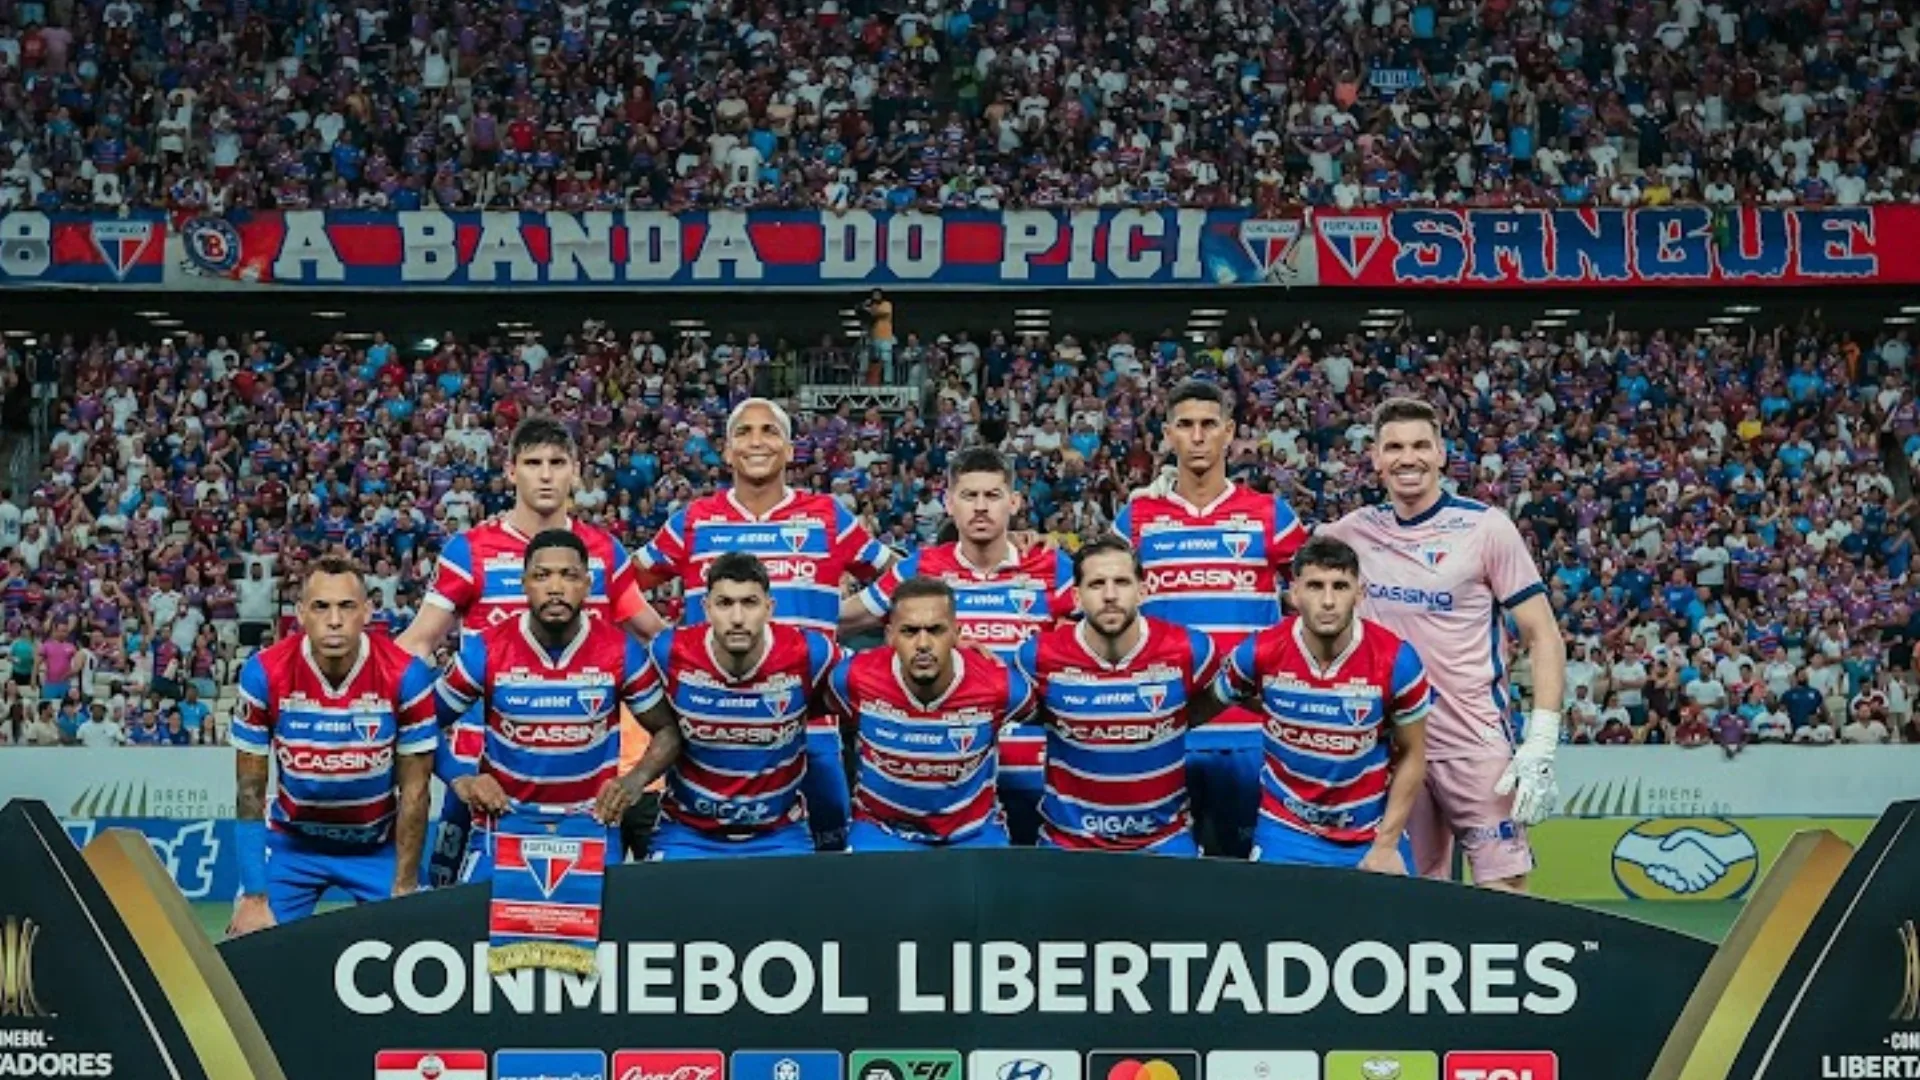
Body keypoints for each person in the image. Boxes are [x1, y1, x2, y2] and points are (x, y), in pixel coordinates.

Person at [396, 416, 662, 885]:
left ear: (576, 471)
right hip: (483, 770)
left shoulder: (603, 551)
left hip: (579, 775)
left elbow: (654, 635)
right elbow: (418, 642)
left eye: (557, 463)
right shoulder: (470, 550)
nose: (545, 474)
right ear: (510, 470)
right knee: (453, 907)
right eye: (533, 462)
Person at [1320, 397, 1568, 892]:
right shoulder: (1351, 534)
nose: (1406, 458)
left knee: (1504, 890)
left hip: (1473, 740)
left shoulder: (1485, 528)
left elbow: (1543, 634)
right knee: (1404, 896)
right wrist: (1174, 490)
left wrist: (1541, 740)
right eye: (1393, 447)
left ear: (1440, 454)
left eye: (1418, 446)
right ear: (1375, 458)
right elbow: (1273, 554)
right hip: (1389, 746)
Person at [635, 397, 893, 849]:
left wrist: (842, 621)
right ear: (728, 451)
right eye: (744, 433)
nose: (757, 441)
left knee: (822, 865)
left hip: (811, 725)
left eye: (770, 431)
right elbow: (623, 583)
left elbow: (899, 582)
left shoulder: (827, 516)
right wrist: (663, 638)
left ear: (791, 450)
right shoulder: (695, 520)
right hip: (712, 728)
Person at [1113, 379, 1307, 857]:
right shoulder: (1136, 519)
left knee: (1251, 888)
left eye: (1208, 425)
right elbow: (1103, 611)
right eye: (1185, 426)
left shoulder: (1270, 515)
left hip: (1252, 734)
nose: (1197, 437)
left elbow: (1318, 602)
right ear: (1167, 435)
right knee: (1165, 890)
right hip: (1164, 731)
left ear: (1229, 433)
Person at [842, 447, 1074, 845]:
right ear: (949, 503)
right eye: (969, 496)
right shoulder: (921, 567)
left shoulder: (1054, 566)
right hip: (948, 777)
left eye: (993, 496)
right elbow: (845, 618)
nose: (981, 508)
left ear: (1014, 502)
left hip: (1039, 773)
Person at [433, 531, 680, 884]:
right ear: (523, 584)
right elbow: (420, 723)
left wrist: (635, 781)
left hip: (591, 825)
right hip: (505, 823)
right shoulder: (485, 650)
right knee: (484, 935)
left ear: (588, 584)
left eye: (569, 576)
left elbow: (668, 730)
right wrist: (461, 779)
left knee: (599, 936)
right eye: (541, 575)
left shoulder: (621, 651)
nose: (555, 587)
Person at [227, 555, 439, 933]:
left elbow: (416, 790)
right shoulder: (265, 671)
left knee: (418, 938)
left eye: (347, 606)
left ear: (368, 612)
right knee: (249, 940)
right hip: (293, 844)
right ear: (301, 614)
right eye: (321, 607)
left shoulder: (406, 674)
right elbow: (249, 790)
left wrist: (404, 886)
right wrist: (255, 896)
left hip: (377, 846)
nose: (335, 620)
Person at [1208, 537, 1432, 872]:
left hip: (1368, 835)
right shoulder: (1259, 652)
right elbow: (1203, 705)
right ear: (1294, 593)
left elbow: (1414, 754)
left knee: (1394, 925)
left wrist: (1386, 845)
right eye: (1315, 586)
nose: (1328, 601)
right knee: (1272, 926)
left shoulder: (1397, 660)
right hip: (1285, 833)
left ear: (1360, 592)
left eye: (1340, 586)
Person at [1012, 537, 1218, 855]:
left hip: (1164, 843)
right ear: (1077, 596)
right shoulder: (1036, 657)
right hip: (1068, 844)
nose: (1110, 596)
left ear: (1143, 590)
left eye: (1121, 582)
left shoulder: (1191, 650)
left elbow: (1218, 699)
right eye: (1097, 584)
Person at [649, 553, 842, 859]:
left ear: (769, 608)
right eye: (725, 603)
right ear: (706, 608)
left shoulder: (811, 653)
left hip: (779, 833)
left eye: (750, 603)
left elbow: (867, 689)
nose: (737, 618)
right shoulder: (668, 652)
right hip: (686, 833)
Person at [828, 578, 1034, 850]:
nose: (923, 643)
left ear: (956, 634)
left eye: (936, 630)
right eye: (909, 631)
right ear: (890, 635)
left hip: (972, 835)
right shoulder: (852, 678)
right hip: (882, 831)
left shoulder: (1003, 688)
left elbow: (1053, 718)